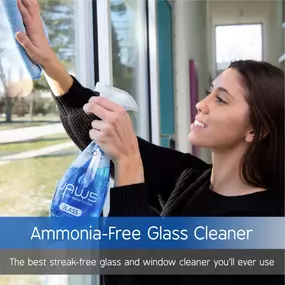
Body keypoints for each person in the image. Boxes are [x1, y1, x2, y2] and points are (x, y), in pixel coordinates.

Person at [15, 0, 284, 284]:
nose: (201, 104)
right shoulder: (192, 178)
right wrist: (49, 63)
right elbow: (99, 135)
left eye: (221, 99)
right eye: (208, 91)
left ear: (257, 130)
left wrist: (129, 164)